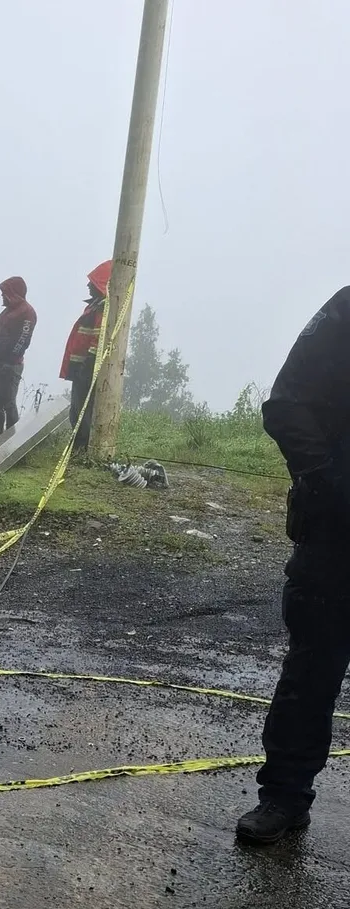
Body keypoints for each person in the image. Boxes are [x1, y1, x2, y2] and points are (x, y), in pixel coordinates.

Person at [237, 285, 350, 844]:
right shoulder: (347, 309)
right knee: (312, 673)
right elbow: (285, 402)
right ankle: (284, 797)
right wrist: (326, 481)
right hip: (337, 536)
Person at [60, 260, 112, 451]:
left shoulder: (103, 309)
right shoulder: (94, 306)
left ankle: (81, 448)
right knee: (76, 409)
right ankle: (77, 446)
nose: (88, 285)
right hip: (80, 366)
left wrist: (87, 365)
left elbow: (97, 341)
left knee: (83, 409)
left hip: (87, 367)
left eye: (92, 281)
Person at [0, 276, 37, 438]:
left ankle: (12, 442)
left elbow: (23, 339)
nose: (2, 296)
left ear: (14, 293)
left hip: (9, 365)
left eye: (5, 293)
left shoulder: (27, 312)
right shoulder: (6, 312)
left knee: (8, 403)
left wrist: (10, 361)